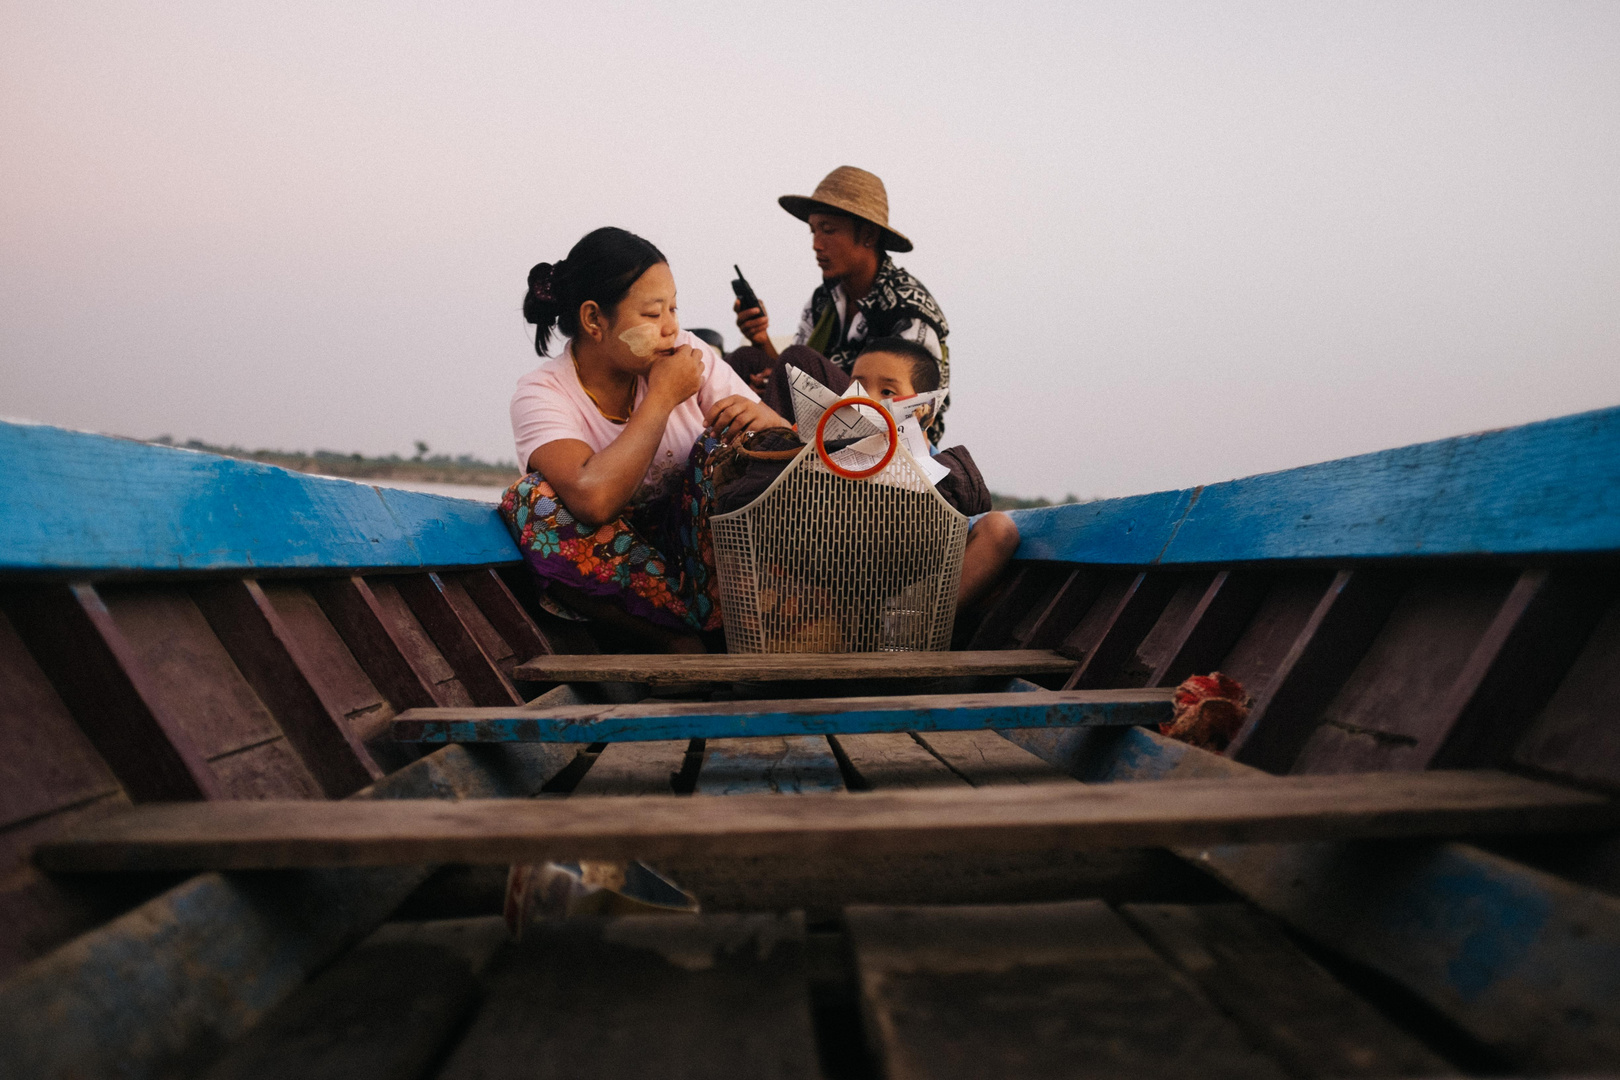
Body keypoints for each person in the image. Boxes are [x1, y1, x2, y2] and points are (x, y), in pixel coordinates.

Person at [503, 227, 791, 652]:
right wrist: (661, 397)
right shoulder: (542, 393)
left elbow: (777, 456)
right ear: (594, 320)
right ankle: (678, 643)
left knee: (722, 450)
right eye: (653, 315)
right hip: (625, 585)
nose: (672, 329)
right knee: (530, 501)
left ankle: (743, 628)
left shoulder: (690, 356)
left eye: (673, 309)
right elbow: (593, 499)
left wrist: (767, 420)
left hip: (711, 568)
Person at [728, 166, 954, 443]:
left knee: (798, 358)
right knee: (743, 359)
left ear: (868, 236)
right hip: (823, 415)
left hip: (890, 436)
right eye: (813, 231)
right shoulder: (823, 299)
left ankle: (763, 464)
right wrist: (760, 340)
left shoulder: (908, 308)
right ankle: (718, 461)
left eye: (829, 231)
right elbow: (795, 378)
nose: (816, 244)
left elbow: (915, 411)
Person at [847, 339, 1021, 609]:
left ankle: (917, 626)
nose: (868, 399)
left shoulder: (942, 466)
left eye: (887, 391)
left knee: (999, 528)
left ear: (922, 407)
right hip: (847, 577)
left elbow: (961, 532)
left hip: (919, 580)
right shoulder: (830, 448)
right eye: (856, 386)